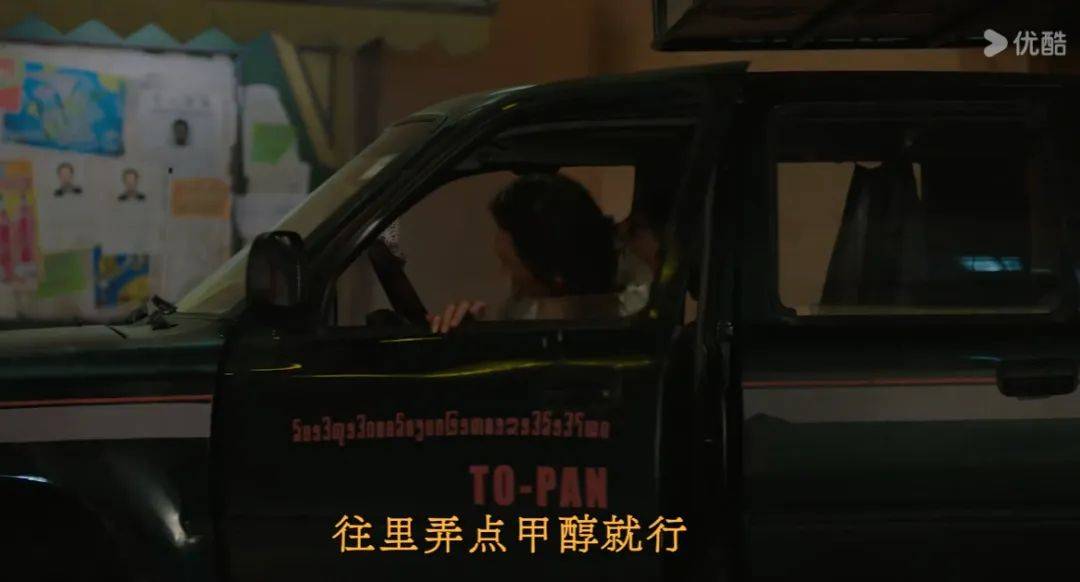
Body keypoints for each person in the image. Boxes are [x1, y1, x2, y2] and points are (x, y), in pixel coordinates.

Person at [428, 173, 620, 333]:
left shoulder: (624, 326)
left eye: (509, 264)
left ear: (553, 272)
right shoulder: (521, 312)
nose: (505, 274)